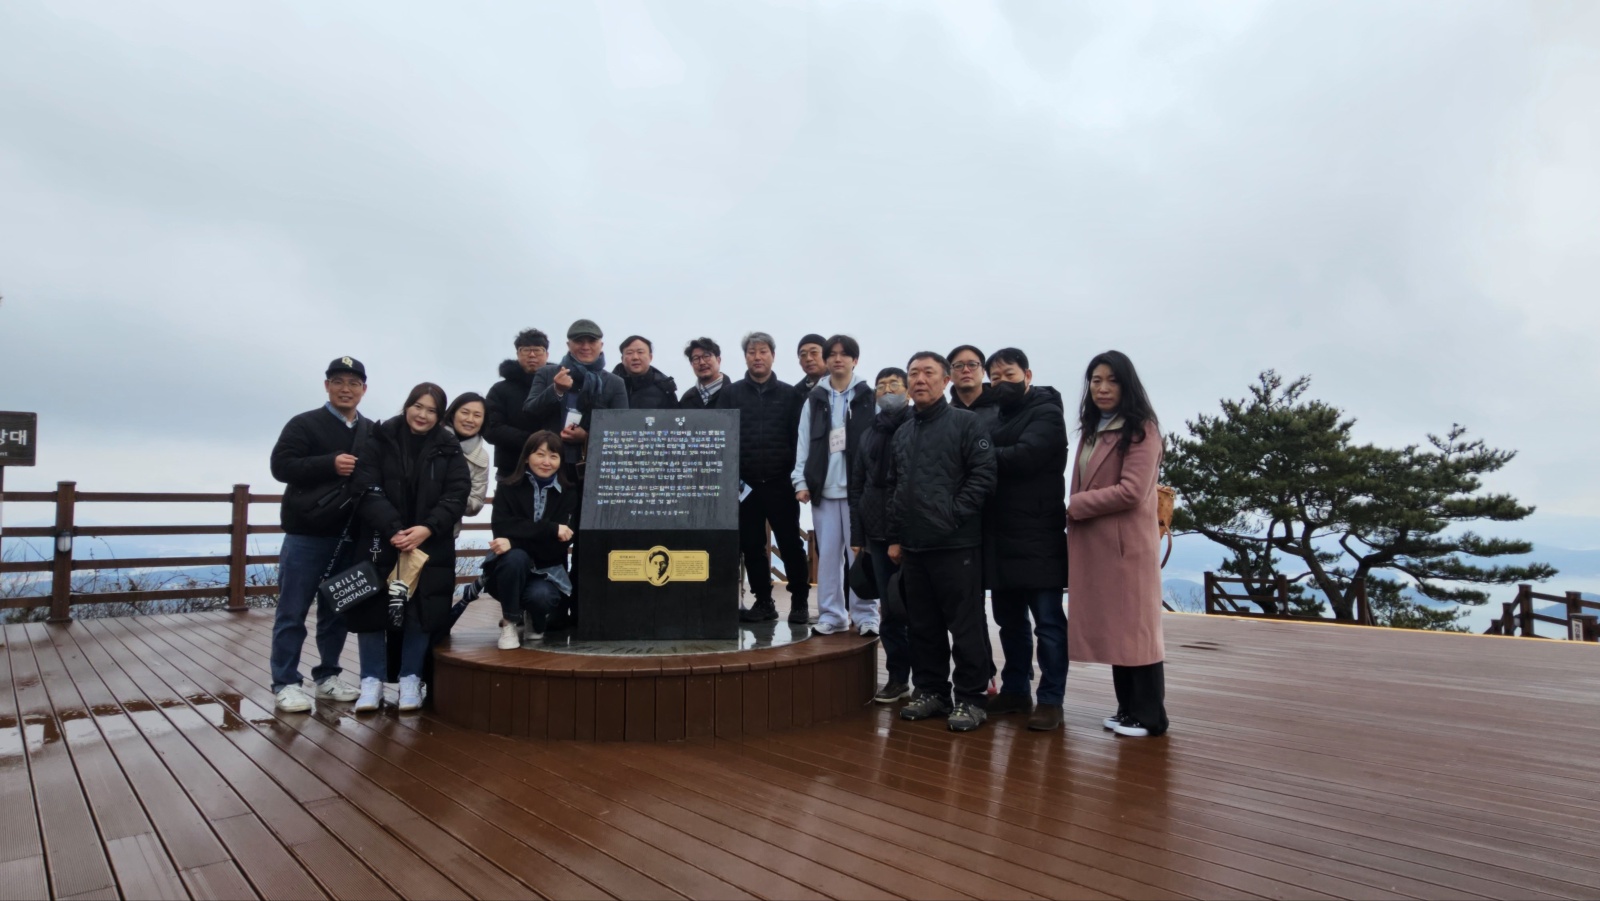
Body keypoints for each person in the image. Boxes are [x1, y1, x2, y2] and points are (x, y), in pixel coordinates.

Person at [886, 352, 997, 733]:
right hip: (914, 545)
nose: (920, 379)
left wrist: (952, 516)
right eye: (913, 373)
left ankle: (971, 698)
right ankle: (931, 690)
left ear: (945, 380)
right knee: (923, 625)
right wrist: (897, 535)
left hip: (957, 543)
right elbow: (897, 485)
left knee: (965, 626)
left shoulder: (966, 423)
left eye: (928, 372)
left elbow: (984, 476)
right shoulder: (903, 431)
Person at [349, 383, 470, 712]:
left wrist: (426, 528)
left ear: (440, 415)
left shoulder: (448, 446)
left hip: (429, 543)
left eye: (432, 410)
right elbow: (365, 488)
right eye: (418, 406)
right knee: (372, 610)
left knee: (420, 611)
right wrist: (394, 529)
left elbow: (457, 493)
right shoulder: (381, 437)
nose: (423, 415)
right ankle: (371, 681)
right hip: (380, 539)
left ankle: (410, 678)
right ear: (407, 406)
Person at [1068, 350, 1168, 738]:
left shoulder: (1142, 429)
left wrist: (1076, 506)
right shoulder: (1094, 429)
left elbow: (1132, 491)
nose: (1103, 388)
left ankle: (1150, 716)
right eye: (1096, 380)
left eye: (1112, 380)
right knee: (1118, 630)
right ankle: (1128, 710)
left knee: (1137, 631)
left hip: (1127, 548)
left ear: (1127, 386)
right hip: (1100, 546)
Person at [266, 356, 372, 712]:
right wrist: (329, 463)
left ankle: (327, 677)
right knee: (292, 612)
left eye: (354, 383)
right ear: (326, 385)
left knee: (337, 611)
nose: (346, 389)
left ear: (364, 389)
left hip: (350, 536)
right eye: (338, 381)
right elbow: (281, 466)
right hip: (306, 535)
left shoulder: (370, 430)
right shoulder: (304, 424)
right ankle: (285, 682)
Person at [980, 348, 1070, 731]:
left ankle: (1051, 699)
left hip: (1039, 533)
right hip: (999, 536)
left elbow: (1027, 455)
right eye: (995, 378)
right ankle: (1016, 690)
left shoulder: (1047, 412)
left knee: (1048, 623)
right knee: (1009, 622)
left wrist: (981, 454)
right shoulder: (994, 418)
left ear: (1028, 375)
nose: (1002, 383)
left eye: (1009, 375)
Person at [523, 319, 627, 629]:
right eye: (578, 341)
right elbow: (528, 412)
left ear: (601, 345)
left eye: (591, 341)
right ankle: (551, 610)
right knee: (550, 540)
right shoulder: (548, 374)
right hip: (551, 473)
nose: (585, 346)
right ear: (568, 344)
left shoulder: (613, 383)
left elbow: (622, 430)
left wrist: (587, 436)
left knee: (589, 541)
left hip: (593, 475)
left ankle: (584, 610)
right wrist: (556, 390)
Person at [725, 331, 812, 623]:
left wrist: (798, 478)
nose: (757, 357)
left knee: (790, 544)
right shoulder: (731, 394)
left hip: (781, 481)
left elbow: (799, 440)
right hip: (745, 484)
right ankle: (763, 602)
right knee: (752, 545)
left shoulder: (790, 395)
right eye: (752, 352)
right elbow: (726, 437)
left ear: (773, 356)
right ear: (745, 357)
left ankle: (799, 601)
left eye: (763, 351)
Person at [793, 334, 876, 635]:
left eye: (844, 354)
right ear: (826, 360)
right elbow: (803, 441)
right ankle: (832, 615)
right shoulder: (815, 399)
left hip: (860, 491)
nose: (838, 359)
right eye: (832, 354)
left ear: (855, 360)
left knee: (860, 555)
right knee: (827, 556)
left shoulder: (869, 397)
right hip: (824, 490)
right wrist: (800, 480)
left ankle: (866, 615)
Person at [850, 366, 912, 701]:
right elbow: (857, 485)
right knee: (890, 610)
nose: (887, 390)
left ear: (908, 391)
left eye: (894, 384)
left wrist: (900, 536)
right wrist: (857, 536)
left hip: (913, 535)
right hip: (875, 533)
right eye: (881, 385)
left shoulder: (917, 424)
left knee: (919, 610)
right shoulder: (868, 433)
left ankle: (930, 682)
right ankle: (898, 678)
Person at [487, 431, 579, 649]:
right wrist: (551, 529)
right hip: (509, 570)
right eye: (540, 454)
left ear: (561, 461)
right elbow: (502, 527)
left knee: (541, 596)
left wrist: (515, 541)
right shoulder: (508, 487)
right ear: (527, 456)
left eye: (554, 456)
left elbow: (559, 545)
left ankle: (534, 618)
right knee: (515, 559)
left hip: (547, 569)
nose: (546, 462)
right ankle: (509, 622)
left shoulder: (569, 493)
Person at [484, 328, 551, 478]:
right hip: (511, 469)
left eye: (537, 350)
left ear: (547, 354)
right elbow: (491, 429)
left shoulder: (559, 386)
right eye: (526, 350)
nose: (532, 355)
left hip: (554, 468)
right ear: (517, 354)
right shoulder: (499, 389)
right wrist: (534, 441)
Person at [445, 392, 491, 531]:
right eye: (465, 412)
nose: (470, 420)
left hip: (447, 529)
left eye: (477, 415)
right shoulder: (430, 439)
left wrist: (450, 499)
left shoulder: (481, 457)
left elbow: (476, 503)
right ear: (453, 414)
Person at [613, 335, 679, 409]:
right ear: (622, 358)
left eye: (640, 352)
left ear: (650, 357)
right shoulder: (610, 385)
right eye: (629, 353)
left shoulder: (665, 388)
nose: (635, 357)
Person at [948, 344, 998, 425]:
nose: (966, 370)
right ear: (949, 375)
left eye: (972, 365)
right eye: (958, 366)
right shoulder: (944, 415)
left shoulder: (1002, 409)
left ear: (983, 371)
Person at [678, 337, 729, 409]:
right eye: (696, 358)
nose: (702, 362)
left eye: (706, 356)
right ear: (691, 364)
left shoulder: (735, 394)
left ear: (718, 360)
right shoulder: (686, 399)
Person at [795, 333, 827, 397]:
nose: (808, 359)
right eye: (803, 355)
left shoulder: (842, 384)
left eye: (814, 352)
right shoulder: (795, 393)